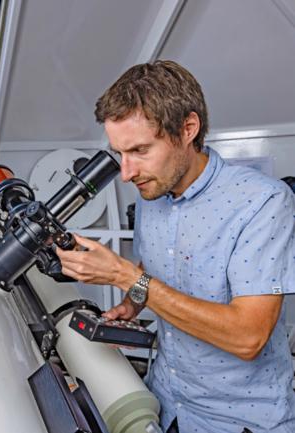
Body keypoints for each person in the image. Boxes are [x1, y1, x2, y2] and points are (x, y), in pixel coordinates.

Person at [56, 60, 295, 433]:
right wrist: (131, 304)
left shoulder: (262, 202)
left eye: (140, 150)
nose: (126, 173)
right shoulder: (152, 194)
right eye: (120, 153)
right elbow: (154, 269)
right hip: (167, 404)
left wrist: (123, 275)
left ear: (188, 129)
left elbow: (248, 337)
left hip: (238, 420)